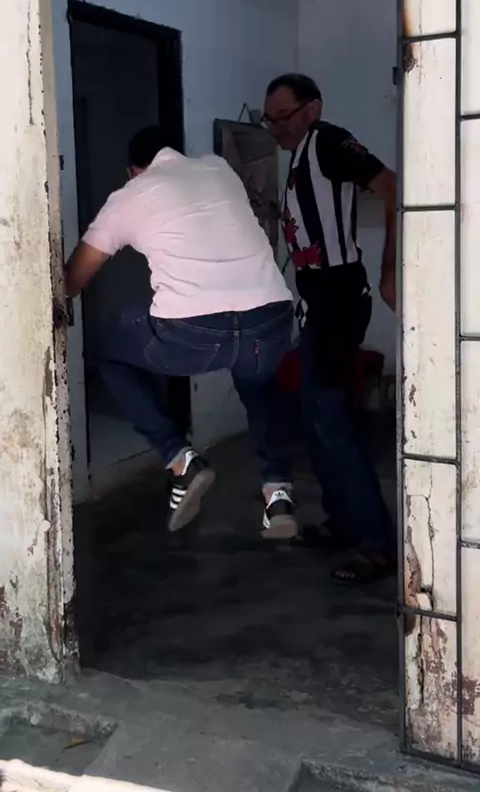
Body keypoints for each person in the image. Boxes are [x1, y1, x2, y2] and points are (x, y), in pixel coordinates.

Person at [65, 126, 297, 540]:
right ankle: (277, 495)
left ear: (133, 171)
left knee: (107, 349)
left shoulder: (131, 195)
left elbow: (73, 280)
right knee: (259, 385)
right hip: (271, 322)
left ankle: (179, 458)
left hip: (193, 334)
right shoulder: (218, 168)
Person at [262, 73, 396, 585]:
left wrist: (389, 268)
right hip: (318, 306)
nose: (276, 128)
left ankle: (377, 544)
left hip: (338, 304)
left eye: (284, 117)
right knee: (316, 422)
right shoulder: (300, 156)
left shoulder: (328, 142)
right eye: (270, 120)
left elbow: (393, 187)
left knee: (332, 424)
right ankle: (344, 522)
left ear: (312, 108)